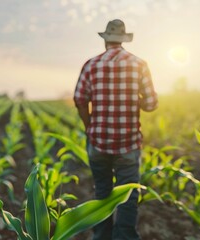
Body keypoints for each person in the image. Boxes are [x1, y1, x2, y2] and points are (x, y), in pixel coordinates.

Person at [73, 19, 158, 240]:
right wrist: (133, 99)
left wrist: (90, 126)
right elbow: (150, 104)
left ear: (106, 41)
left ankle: (101, 236)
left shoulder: (91, 65)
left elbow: (80, 100)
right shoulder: (139, 64)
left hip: (97, 142)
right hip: (128, 143)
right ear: (123, 39)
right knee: (128, 195)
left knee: (102, 192)